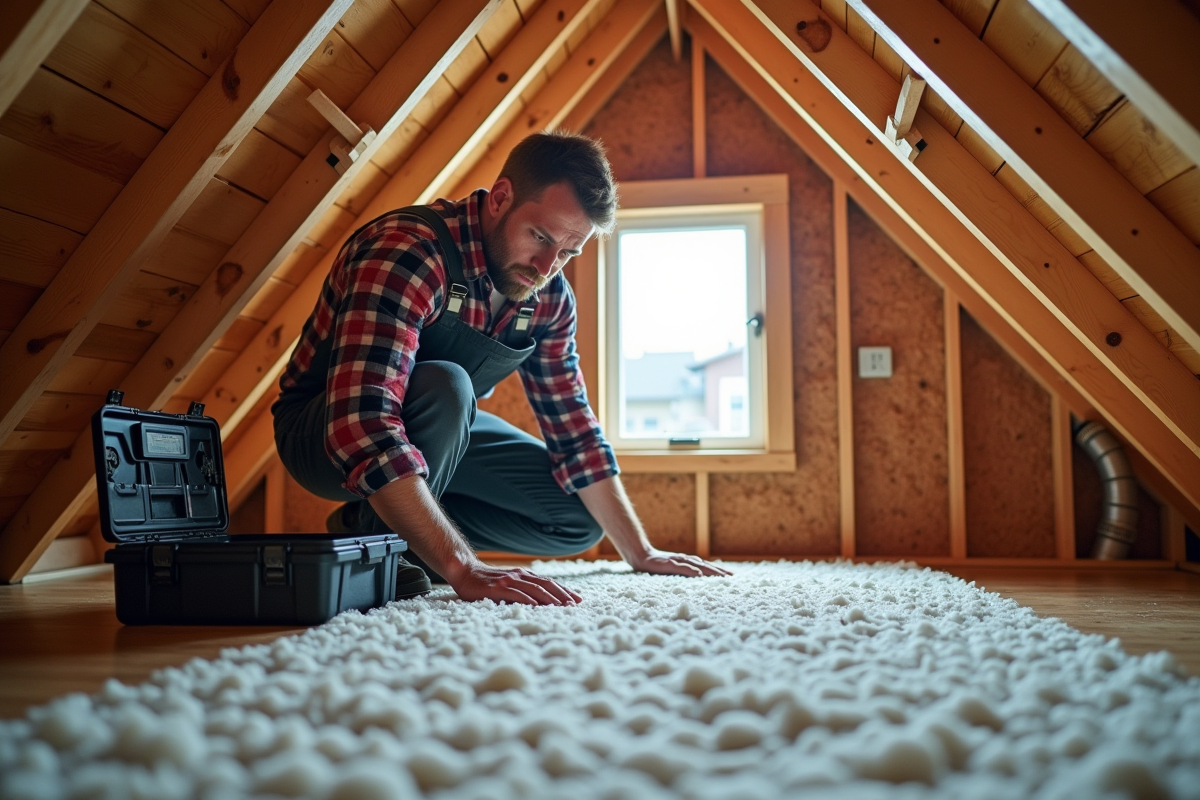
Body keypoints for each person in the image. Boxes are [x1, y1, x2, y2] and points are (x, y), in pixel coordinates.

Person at [272, 131, 730, 606]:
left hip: (444, 432)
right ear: (502, 197)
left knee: (575, 522)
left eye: (569, 253)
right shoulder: (409, 252)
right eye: (541, 237)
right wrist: (463, 568)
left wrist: (641, 552)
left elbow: (572, 426)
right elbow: (362, 421)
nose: (547, 266)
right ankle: (391, 549)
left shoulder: (549, 297)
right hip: (328, 429)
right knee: (449, 385)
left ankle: (383, 526)